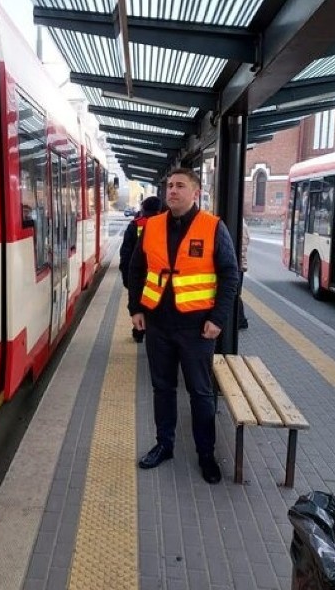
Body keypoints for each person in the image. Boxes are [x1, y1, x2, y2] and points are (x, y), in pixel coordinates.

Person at [127, 167, 239, 484]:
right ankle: (165, 445)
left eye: (180, 186)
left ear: (195, 192)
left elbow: (230, 275)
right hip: (158, 325)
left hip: (197, 328)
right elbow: (136, 269)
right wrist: (135, 308)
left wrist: (218, 319)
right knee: (162, 388)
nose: (172, 191)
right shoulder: (151, 226)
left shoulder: (213, 227)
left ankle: (206, 453)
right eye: (169, 186)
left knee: (201, 393)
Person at [120, 196, 162, 342]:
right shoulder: (163, 226)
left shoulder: (135, 225)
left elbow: (125, 254)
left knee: (138, 302)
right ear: (159, 210)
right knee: (153, 304)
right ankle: (149, 330)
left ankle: (138, 331)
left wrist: (126, 277)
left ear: (143, 209)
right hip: (156, 275)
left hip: (137, 273)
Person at [238, 219, 249, 329]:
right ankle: (241, 320)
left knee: (235, 294)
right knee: (236, 294)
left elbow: (242, 248)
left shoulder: (240, 226)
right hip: (240, 265)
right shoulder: (242, 225)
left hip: (239, 266)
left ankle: (241, 321)